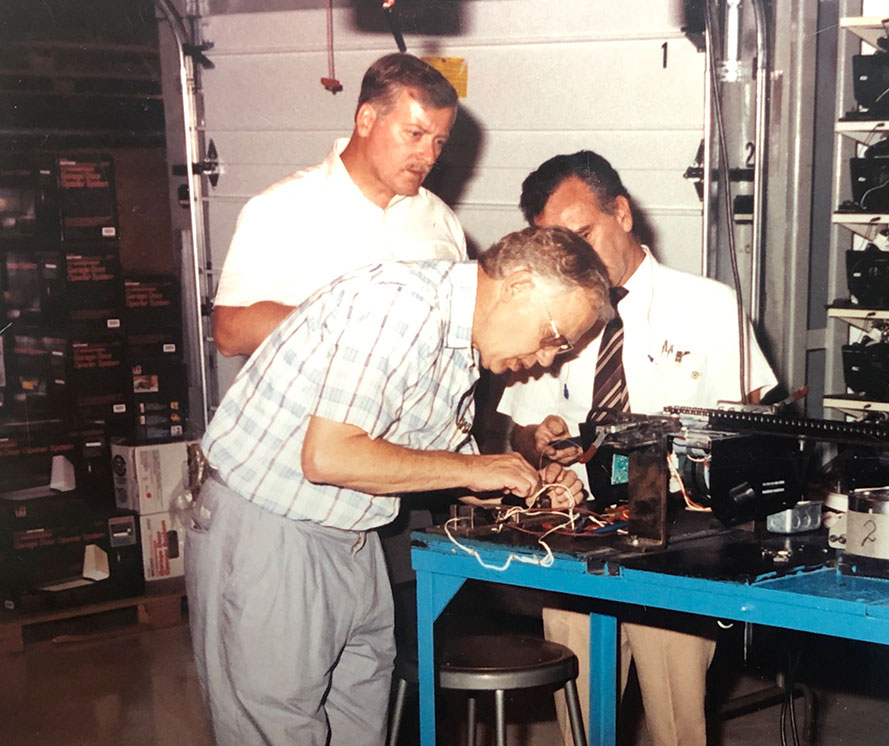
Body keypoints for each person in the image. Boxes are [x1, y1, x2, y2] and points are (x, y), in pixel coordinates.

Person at [186, 225, 612, 746]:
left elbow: (415, 461)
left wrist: (515, 482)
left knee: (359, 731)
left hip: (353, 538)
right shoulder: (400, 308)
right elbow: (328, 455)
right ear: (518, 285)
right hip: (271, 532)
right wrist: (474, 470)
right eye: (554, 337)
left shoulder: (459, 348)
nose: (548, 358)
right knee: (276, 732)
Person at [499, 151, 778, 746]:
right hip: (580, 533)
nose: (574, 257)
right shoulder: (550, 315)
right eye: (557, 245)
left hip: (680, 540)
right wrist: (537, 437)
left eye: (583, 234)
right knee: (576, 714)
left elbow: (755, 432)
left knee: (677, 720)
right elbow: (516, 432)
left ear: (621, 213)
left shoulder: (709, 305)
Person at [211, 52, 466, 358]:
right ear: (367, 120)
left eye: (439, 141)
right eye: (415, 134)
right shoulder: (280, 208)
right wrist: (350, 323)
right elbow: (229, 332)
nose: (429, 156)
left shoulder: (442, 220)